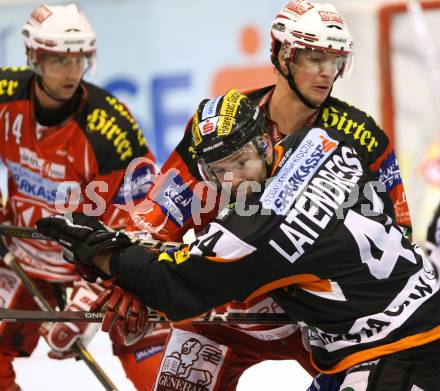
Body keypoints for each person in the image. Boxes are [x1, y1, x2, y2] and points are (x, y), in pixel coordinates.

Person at [37, 93, 440, 390]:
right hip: (407, 318)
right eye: (219, 172)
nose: (235, 181)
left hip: (400, 350)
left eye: (242, 162)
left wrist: (100, 251)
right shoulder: (327, 143)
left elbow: (175, 284)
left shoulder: (253, 231)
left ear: (265, 143)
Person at [106, 1, 412, 389]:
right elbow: (157, 218)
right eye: (314, 57)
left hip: (319, 320)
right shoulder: (220, 123)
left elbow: (398, 232)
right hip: (220, 314)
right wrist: (129, 284)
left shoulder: (362, 135)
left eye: (334, 61)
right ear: (281, 54)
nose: (325, 73)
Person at [0, 4, 155, 390]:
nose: (72, 73)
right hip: (22, 249)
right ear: (34, 57)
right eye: (59, 61)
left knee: (157, 369)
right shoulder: (4, 95)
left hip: (97, 263)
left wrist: (91, 293)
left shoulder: (111, 127)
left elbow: (145, 216)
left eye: (79, 60)